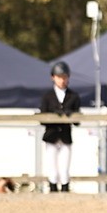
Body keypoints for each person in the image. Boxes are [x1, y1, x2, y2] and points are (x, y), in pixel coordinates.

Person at [40, 61, 81, 192]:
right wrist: (54, 116)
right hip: (51, 135)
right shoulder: (47, 96)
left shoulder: (73, 96)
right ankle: (52, 188)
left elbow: (77, 121)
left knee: (64, 167)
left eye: (64, 77)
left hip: (65, 135)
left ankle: (64, 188)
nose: (62, 80)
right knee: (51, 166)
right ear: (53, 77)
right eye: (59, 77)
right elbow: (42, 118)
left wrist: (71, 115)